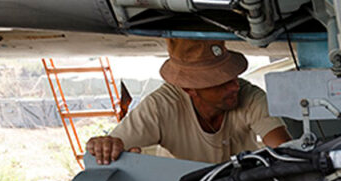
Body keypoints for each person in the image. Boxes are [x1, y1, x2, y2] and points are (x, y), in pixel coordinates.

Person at [85, 38, 291, 165]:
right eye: (221, 83)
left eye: (234, 78)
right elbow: (116, 145)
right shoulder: (161, 106)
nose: (235, 86)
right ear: (189, 89)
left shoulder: (249, 96)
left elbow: (284, 149)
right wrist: (105, 145)